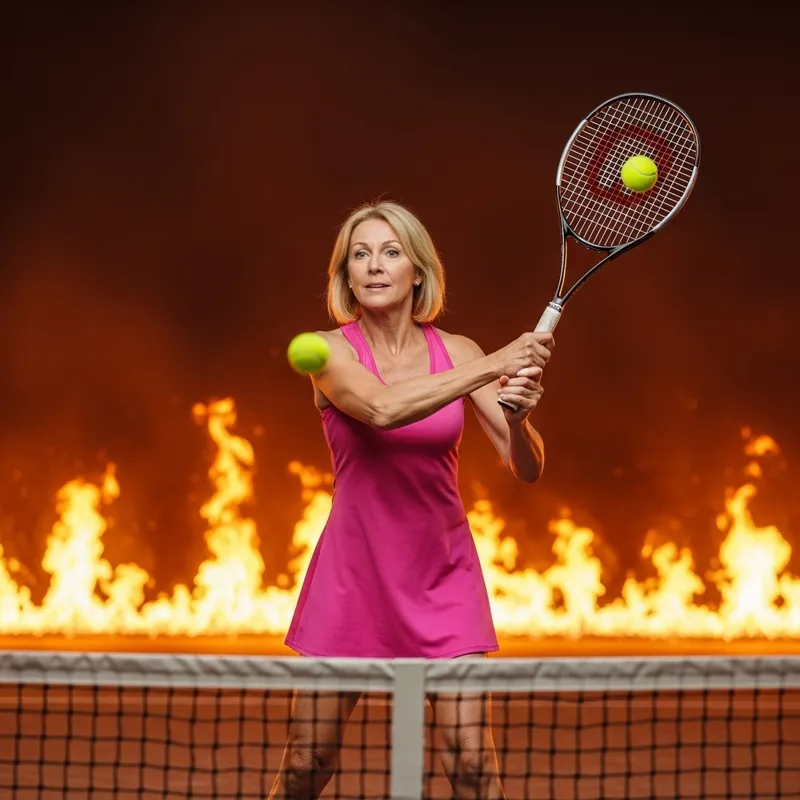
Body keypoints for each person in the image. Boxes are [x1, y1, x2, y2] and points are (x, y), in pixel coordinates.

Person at [270, 200, 554, 799]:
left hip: (442, 574)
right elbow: (380, 409)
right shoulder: (327, 352)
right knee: (307, 763)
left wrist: (520, 418)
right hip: (354, 575)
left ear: (418, 272)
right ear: (345, 276)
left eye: (391, 252)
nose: (375, 266)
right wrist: (499, 364)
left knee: (473, 763)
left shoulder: (462, 352)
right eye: (360, 254)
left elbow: (524, 466)